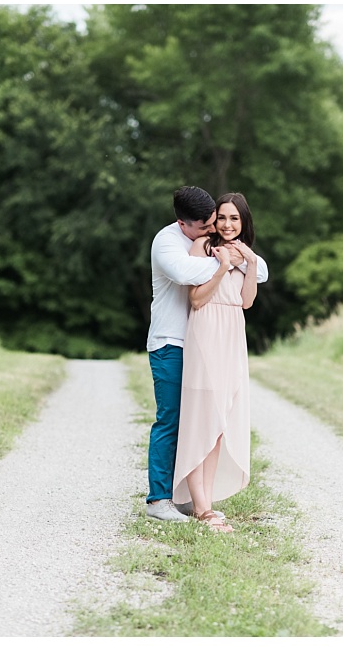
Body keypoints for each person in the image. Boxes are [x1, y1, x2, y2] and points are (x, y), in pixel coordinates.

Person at [173, 192, 266, 532]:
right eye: (222, 218)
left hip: (232, 335)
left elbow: (246, 303)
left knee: (218, 426)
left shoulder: (245, 255)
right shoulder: (203, 249)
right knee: (202, 418)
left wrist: (249, 263)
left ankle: (206, 503)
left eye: (234, 219)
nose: (227, 224)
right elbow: (196, 300)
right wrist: (222, 266)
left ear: (243, 222)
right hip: (206, 330)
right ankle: (200, 508)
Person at [144, 185, 233, 522]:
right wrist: (226, 264)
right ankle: (158, 501)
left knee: (196, 422)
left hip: (202, 346)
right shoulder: (166, 242)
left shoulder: (207, 238)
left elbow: (262, 271)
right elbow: (184, 273)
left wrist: (239, 259)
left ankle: (183, 496)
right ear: (183, 224)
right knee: (171, 420)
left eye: (213, 222)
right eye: (204, 226)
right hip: (171, 343)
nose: (212, 229)